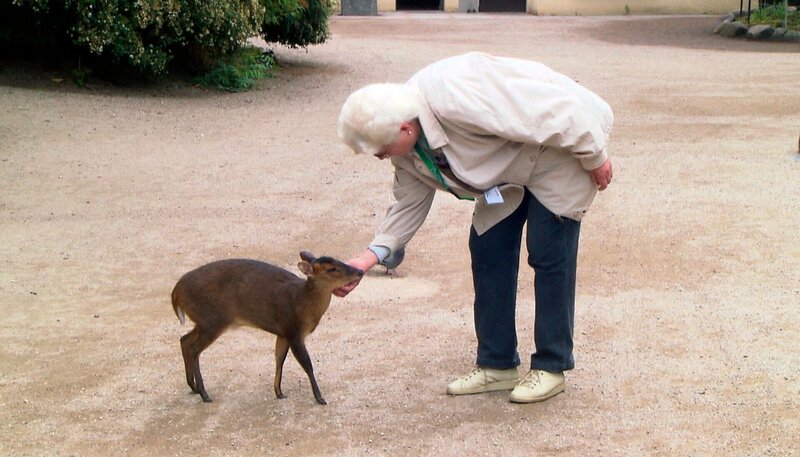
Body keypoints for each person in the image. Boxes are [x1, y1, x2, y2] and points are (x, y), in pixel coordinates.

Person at [334, 52, 614, 404]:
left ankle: (552, 365)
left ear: (404, 128)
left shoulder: (455, 93)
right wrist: (365, 261)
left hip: (558, 155)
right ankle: (497, 364)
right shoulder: (405, 143)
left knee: (548, 253)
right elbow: (406, 204)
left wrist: (595, 155)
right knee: (488, 247)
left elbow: (552, 108)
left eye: (383, 150)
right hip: (508, 173)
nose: (384, 158)